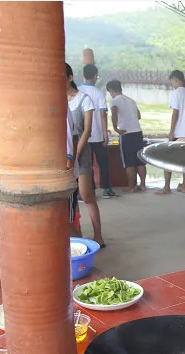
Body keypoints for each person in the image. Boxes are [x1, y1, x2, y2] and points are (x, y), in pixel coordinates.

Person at [67, 63, 104, 247]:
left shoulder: (84, 99)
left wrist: (74, 155)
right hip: (65, 154)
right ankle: (78, 236)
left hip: (80, 153)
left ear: (70, 78)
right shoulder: (57, 99)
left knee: (86, 195)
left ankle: (98, 235)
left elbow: (86, 131)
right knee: (69, 199)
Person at [79, 64, 118, 199]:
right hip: (97, 135)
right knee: (103, 164)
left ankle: (90, 190)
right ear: (95, 76)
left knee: (85, 165)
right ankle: (107, 189)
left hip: (82, 136)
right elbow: (103, 115)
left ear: (83, 75)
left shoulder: (77, 91)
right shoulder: (98, 93)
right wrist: (104, 134)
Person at [159, 70, 185, 194]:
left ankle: (166, 187)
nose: (172, 84)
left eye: (172, 82)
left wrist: (171, 131)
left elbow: (175, 113)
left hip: (179, 133)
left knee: (167, 159)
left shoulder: (176, 93)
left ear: (175, 80)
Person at [107, 79, 146, 192]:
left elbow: (114, 113)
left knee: (129, 162)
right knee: (140, 160)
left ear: (110, 90)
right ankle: (143, 185)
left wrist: (115, 128)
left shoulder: (114, 101)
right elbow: (138, 116)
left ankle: (131, 187)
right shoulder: (131, 100)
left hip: (126, 133)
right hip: (138, 132)